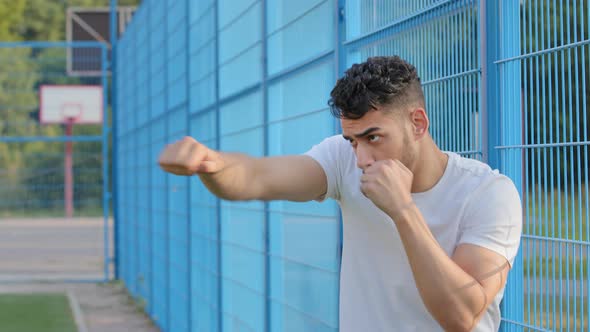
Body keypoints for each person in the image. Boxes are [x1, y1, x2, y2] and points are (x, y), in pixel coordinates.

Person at [158, 56, 522, 332]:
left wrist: (403, 211)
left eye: (374, 138)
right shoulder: (342, 159)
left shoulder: (488, 193)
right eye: (352, 140)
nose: (362, 158)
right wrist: (211, 163)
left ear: (418, 123)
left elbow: (461, 316)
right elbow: (258, 177)